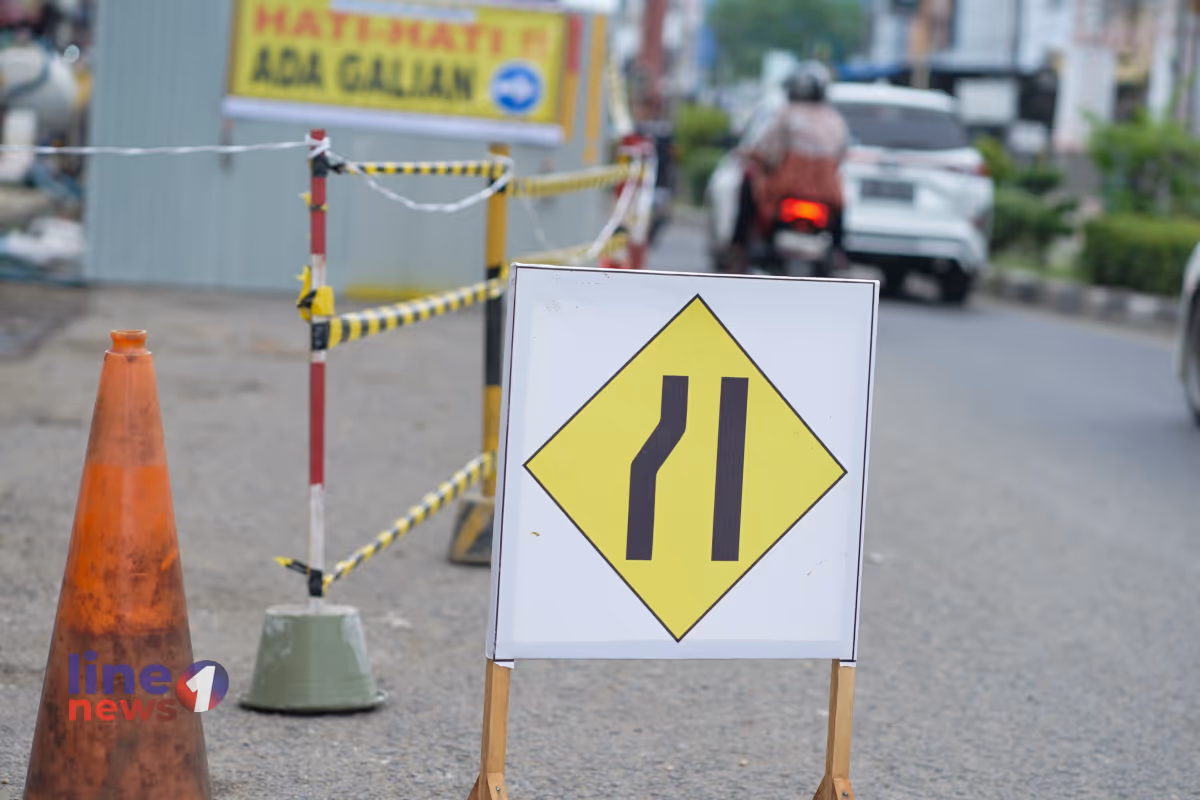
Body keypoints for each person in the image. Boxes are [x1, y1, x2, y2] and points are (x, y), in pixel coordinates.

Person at [730, 61, 849, 275]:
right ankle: (840, 251)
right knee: (840, 209)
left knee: (749, 184)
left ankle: (738, 246)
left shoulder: (785, 114)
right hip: (826, 193)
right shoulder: (835, 119)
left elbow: (769, 152)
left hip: (785, 189)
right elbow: (841, 155)